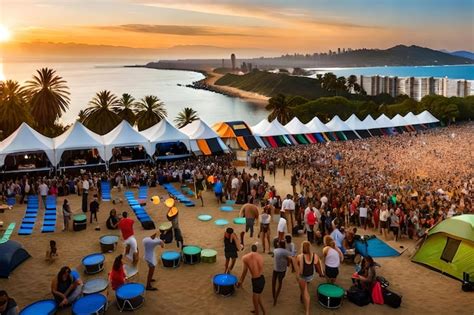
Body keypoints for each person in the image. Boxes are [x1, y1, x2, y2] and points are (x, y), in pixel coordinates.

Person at [236, 244, 265, 315]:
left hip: (256, 280)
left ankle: (258, 312)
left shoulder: (245, 257)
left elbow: (244, 271)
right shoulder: (261, 257)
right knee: (258, 298)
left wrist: (240, 281)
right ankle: (263, 312)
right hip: (262, 279)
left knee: (255, 300)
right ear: (256, 250)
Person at [296, 241, 324, 315]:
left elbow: (299, 269)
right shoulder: (315, 256)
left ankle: (307, 311)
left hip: (303, 277)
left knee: (305, 293)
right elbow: (317, 265)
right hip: (310, 276)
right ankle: (303, 291)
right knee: (305, 286)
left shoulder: (299, 256)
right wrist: (321, 273)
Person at [272, 240, 293, 306]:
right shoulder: (286, 252)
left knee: (273, 283)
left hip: (275, 269)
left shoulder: (275, 250)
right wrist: (288, 263)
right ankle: (276, 297)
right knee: (280, 283)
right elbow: (290, 258)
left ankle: (274, 296)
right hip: (282, 270)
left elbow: (273, 254)